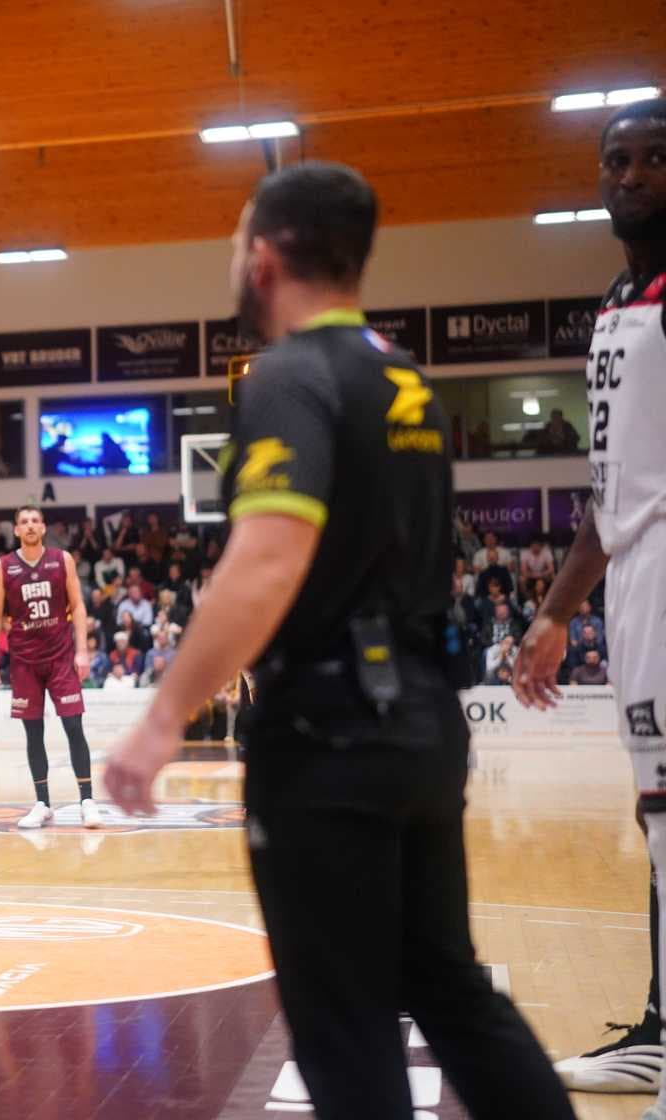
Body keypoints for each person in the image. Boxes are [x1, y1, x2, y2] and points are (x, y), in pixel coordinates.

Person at [104, 162, 573, 1119]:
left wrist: (161, 719)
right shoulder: (409, 383)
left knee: (343, 1025)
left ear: (264, 260)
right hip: (423, 722)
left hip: (327, 736)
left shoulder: (288, 375)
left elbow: (270, 559)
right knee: (446, 988)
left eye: (237, 245)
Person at [513, 97, 666, 1106]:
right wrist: (558, 612)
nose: (631, 175)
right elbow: (613, 492)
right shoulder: (622, 296)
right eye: (616, 158)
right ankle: (661, 1027)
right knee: (660, 817)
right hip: (640, 582)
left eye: (656, 158)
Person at [0, 505, 103, 830]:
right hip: (24, 660)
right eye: (24, 522)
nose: (31, 525)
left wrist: (82, 651)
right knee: (33, 733)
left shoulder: (62, 560)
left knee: (73, 727)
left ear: (44, 527)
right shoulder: (3, 566)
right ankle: (42, 803)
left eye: (35, 520)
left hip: (61, 656)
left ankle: (87, 800)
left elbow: (77, 606)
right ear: (17, 530)